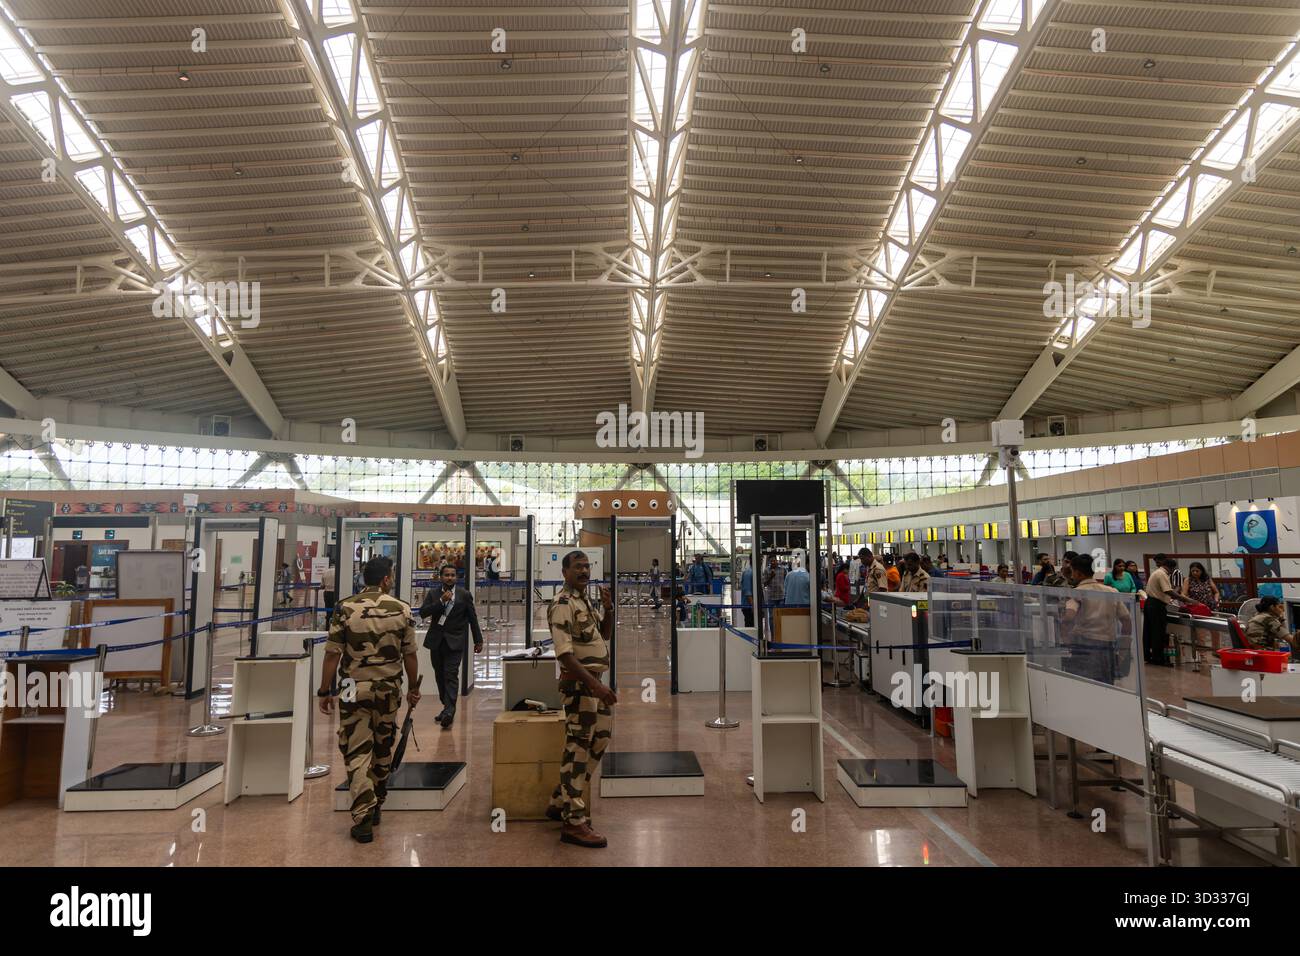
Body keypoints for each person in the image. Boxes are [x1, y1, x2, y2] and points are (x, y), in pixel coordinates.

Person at [318, 556, 420, 844]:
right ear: (386, 579)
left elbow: (332, 653)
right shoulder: (401, 609)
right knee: (383, 743)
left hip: (352, 687)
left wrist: (324, 690)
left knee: (356, 748)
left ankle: (363, 814)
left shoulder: (345, 607)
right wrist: (413, 688)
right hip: (388, 688)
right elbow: (410, 654)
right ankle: (377, 800)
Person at [546, 550, 616, 849]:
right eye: (578, 567)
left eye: (587, 566)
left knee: (600, 740)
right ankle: (573, 823)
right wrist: (595, 687)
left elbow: (604, 635)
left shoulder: (583, 599)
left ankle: (560, 799)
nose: (584, 571)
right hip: (580, 687)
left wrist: (609, 609)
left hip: (595, 686)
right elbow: (565, 654)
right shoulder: (562, 604)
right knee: (578, 748)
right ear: (565, 571)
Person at [417, 563, 484, 729]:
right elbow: (423, 612)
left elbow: (472, 618)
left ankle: (449, 711)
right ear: (441, 577)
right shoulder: (433, 594)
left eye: (453, 575)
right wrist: (441, 601)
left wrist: (478, 639)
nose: (450, 578)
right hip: (436, 642)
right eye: (446, 575)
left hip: (455, 642)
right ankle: (446, 706)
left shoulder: (464, 595)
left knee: (451, 675)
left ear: (457, 577)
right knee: (440, 677)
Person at [1061, 553, 1131, 684]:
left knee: (1083, 687)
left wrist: (1067, 641)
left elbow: (1068, 618)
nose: (1071, 575)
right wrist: (1123, 649)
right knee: (1105, 687)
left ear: (1078, 573)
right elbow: (1126, 621)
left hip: (1083, 647)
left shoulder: (1077, 592)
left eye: (1072, 572)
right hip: (1107, 647)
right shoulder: (1111, 591)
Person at [1142, 554, 1182, 666]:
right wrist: (1184, 598)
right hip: (1156, 605)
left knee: (1150, 631)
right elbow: (1168, 590)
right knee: (1158, 632)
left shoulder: (1158, 572)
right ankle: (1158, 658)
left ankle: (1149, 656)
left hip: (1151, 603)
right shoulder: (1162, 574)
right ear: (1171, 567)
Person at [739, 558, 754, 627]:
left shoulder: (755, 572)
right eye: (760, 559)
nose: (761, 561)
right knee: (750, 626)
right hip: (749, 606)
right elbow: (747, 591)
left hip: (753, 606)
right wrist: (753, 606)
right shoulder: (748, 573)